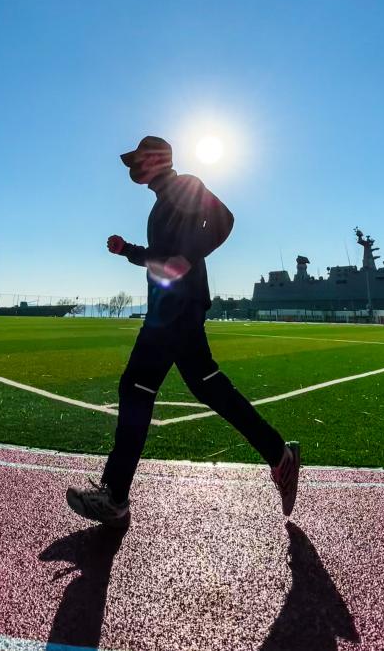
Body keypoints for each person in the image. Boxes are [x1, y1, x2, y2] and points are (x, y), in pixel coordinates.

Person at [67, 136, 300, 527]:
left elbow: (224, 219)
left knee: (135, 388)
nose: (132, 168)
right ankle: (279, 455)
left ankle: (115, 497)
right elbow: (162, 260)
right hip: (175, 308)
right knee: (209, 387)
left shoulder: (184, 185)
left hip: (174, 311)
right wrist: (127, 250)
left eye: (137, 160)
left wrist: (188, 257)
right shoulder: (162, 202)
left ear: (156, 159)